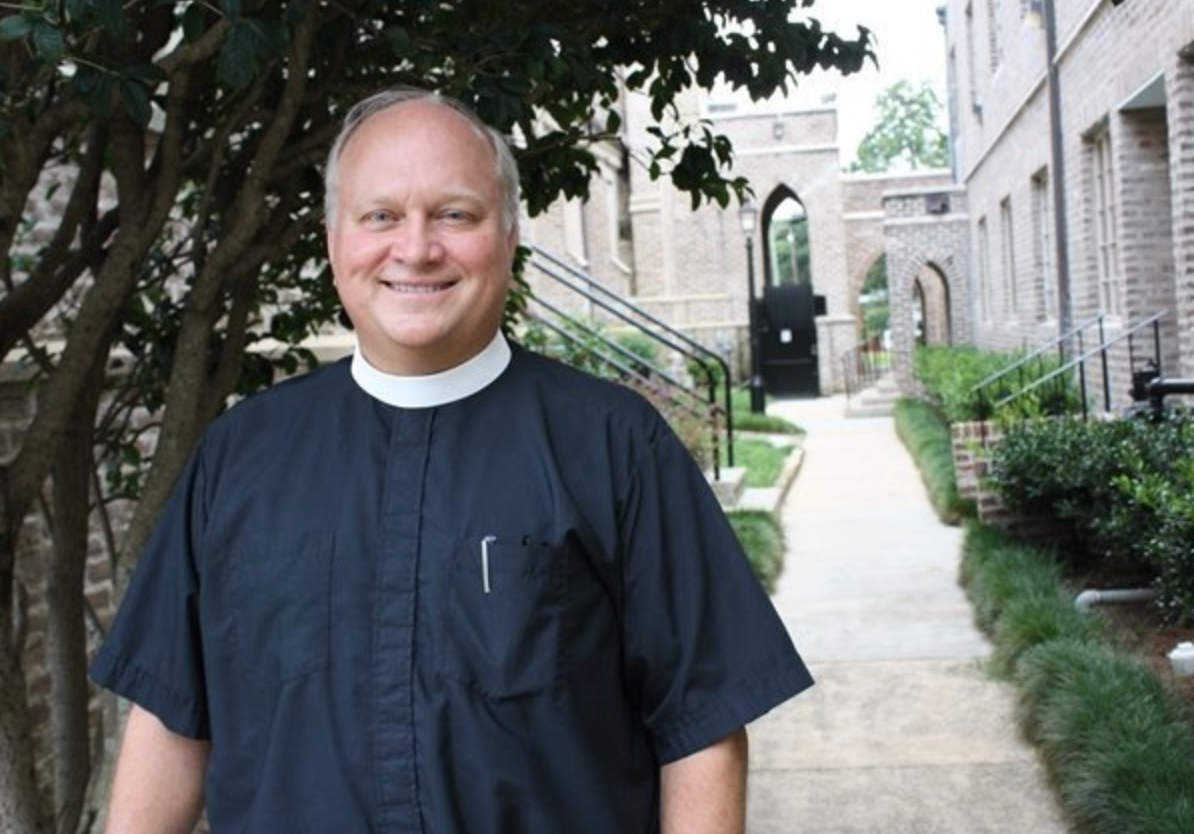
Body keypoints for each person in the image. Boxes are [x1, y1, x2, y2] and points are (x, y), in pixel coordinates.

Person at [90, 88, 813, 834]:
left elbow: (701, 726)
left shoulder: (614, 446)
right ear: (334, 242)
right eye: (380, 216)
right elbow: (172, 718)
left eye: (455, 215)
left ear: (508, 238)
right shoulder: (240, 455)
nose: (415, 248)